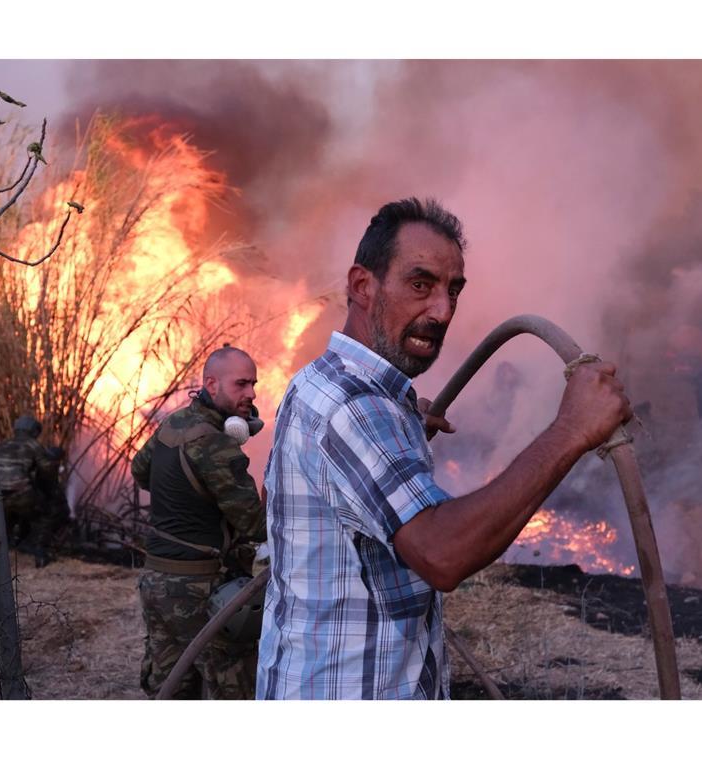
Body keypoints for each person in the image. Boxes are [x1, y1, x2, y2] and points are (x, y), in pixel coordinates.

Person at [257, 197, 632, 699]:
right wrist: (570, 431)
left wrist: (403, 427)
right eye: (420, 285)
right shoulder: (354, 408)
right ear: (363, 286)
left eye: (453, 290)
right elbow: (442, 555)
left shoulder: (321, 383)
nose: (442, 310)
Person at [131, 346, 267, 699]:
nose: (251, 394)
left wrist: (187, 502)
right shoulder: (216, 444)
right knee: (233, 687)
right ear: (211, 383)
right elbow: (255, 524)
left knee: (172, 688)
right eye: (241, 384)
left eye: (253, 384)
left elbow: (140, 471)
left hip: (155, 583)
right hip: (202, 590)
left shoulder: (173, 424)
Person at [0, 414, 69, 568]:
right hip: (20, 494)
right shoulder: (33, 445)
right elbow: (47, 471)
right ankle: (41, 554)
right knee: (47, 513)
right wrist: (49, 493)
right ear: (33, 431)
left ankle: (5, 551)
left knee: (6, 520)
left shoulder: (2, 444)